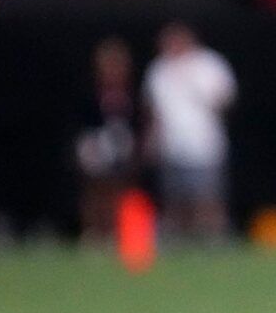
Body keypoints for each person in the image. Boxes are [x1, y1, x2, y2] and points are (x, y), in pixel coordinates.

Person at [142, 22, 236, 242]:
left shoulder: (208, 64)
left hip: (204, 144)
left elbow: (225, 99)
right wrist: (151, 141)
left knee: (207, 195)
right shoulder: (159, 70)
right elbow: (153, 110)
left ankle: (212, 238)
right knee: (174, 198)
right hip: (172, 145)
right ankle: (179, 240)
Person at [74, 37, 140, 243]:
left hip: (122, 144)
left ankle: (116, 231)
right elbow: (82, 122)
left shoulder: (131, 93)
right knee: (95, 189)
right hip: (95, 143)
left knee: (119, 189)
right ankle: (93, 233)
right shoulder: (90, 92)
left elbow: (137, 120)